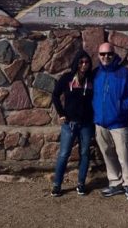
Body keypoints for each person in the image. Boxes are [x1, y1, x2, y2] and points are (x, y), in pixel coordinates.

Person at [93, 42, 128, 201]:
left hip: (119, 123)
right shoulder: (96, 73)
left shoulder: (124, 73)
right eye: (102, 54)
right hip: (100, 122)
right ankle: (115, 183)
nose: (105, 57)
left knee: (124, 154)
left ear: (114, 55)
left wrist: (123, 107)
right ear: (98, 55)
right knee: (107, 154)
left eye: (109, 54)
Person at [51, 50, 94, 197]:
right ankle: (57, 184)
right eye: (81, 62)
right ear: (76, 63)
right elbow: (55, 96)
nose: (84, 65)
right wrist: (61, 113)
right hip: (69, 124)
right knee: (64, 154)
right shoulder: (67, 78)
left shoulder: (92, 79)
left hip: (87, 124)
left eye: (86, 62)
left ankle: (81, 184)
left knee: (85, 154)